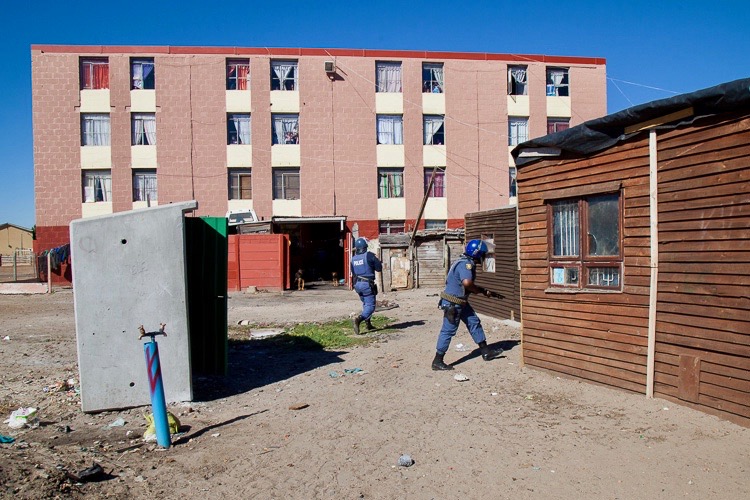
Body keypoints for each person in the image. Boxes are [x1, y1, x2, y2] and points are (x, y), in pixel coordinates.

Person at [431, 239, 503, 370]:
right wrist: (480, 291)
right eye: (482, 255)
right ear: (477, 254)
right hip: (453, 304)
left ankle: (486, 352)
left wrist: (483, 291)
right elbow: (467, 283)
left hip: (461, 302)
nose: (483, 258)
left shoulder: (462, 261)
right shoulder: (466, 264)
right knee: (448, 331)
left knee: (474, 322)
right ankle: (438, 360)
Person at [350, 237, 382, 334]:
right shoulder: (369, 256)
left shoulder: (353, 259)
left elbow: (353, 272)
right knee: (371, 306)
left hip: (357, 285)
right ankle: (359, 319)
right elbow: (379, 268)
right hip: (367, 284)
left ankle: (368, 324)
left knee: (365, 304)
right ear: (365, 247)